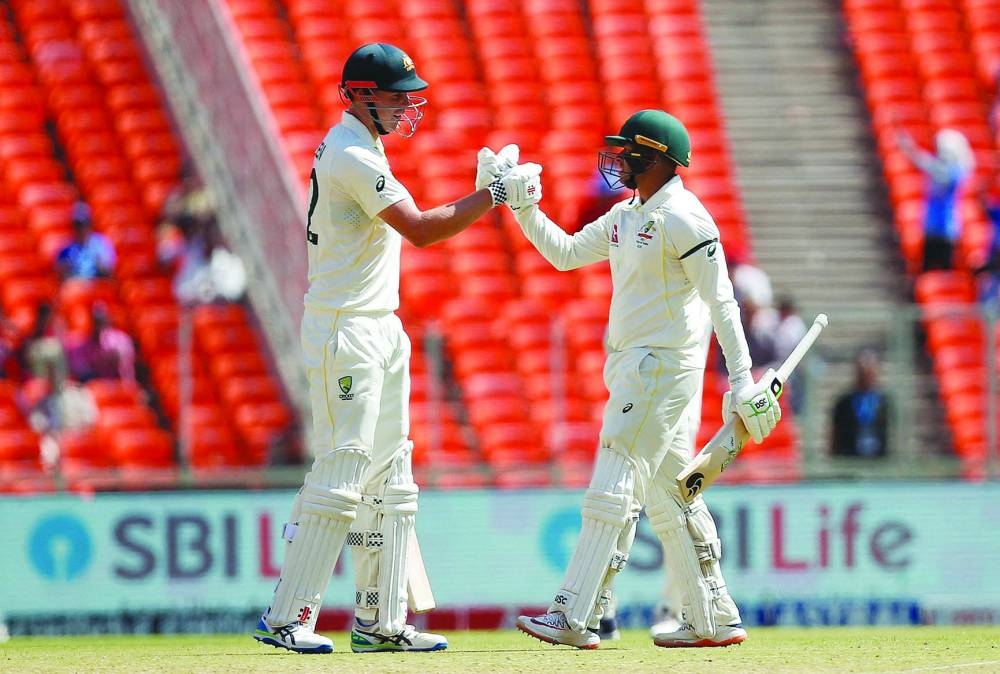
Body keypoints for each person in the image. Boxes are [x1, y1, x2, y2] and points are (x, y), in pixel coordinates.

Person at [251, 42, 541, 655]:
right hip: (344, 328)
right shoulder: (352, 153)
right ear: (359, 95)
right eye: (396, 96)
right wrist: (494, 195)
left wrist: (488, 188)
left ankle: (380, 621)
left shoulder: (366, 146)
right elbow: (422, 229)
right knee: (344, 469)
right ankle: (287, 618)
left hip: (379, 324)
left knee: (392, 473)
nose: (409, 106)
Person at [479, 109, 782, 649]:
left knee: (613, 478)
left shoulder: (686, 216)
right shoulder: (626, 215)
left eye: (629, 152)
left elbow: (722, 300)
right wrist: (523, 207)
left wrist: (741, 379)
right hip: (633, 366)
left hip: (662, 368)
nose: (619, 160)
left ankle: (573, 614)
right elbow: (566, 253)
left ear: (657, 158)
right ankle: (714, 618)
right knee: (671, 493)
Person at [896, 128, 975, 271]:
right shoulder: (941, 169)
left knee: (944, 272)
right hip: (930, 228)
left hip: (946, 230)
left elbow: (933, 169)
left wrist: (911, 150)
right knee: (927, 270)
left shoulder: (954, 173)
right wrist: (909, 148)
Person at [830, 348, 892, 458]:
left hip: (880, 463)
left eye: (870, 372)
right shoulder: (844, 403)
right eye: (862, 373)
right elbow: (835, 438)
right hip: (851, 461)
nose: (866, 377)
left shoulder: (885, 403)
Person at [64, 302, 136, 383]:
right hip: (97, 387)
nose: (98, 324)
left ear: (108, 319)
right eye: (96, 321)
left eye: (101, 320)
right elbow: (79, 369)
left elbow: (125, 361)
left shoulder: (121, 338)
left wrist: (114, 358)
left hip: (120, 385)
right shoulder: (83, 344)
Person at [55, 202, 116, 279]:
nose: (81, 229)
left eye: (84, 224)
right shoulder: (66, 249)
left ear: (90, 224)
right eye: (77, 225)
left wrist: (97, 260)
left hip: (98, 285)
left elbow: (109, 272)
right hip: (76, 287)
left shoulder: (101, 244)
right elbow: (61, 276)